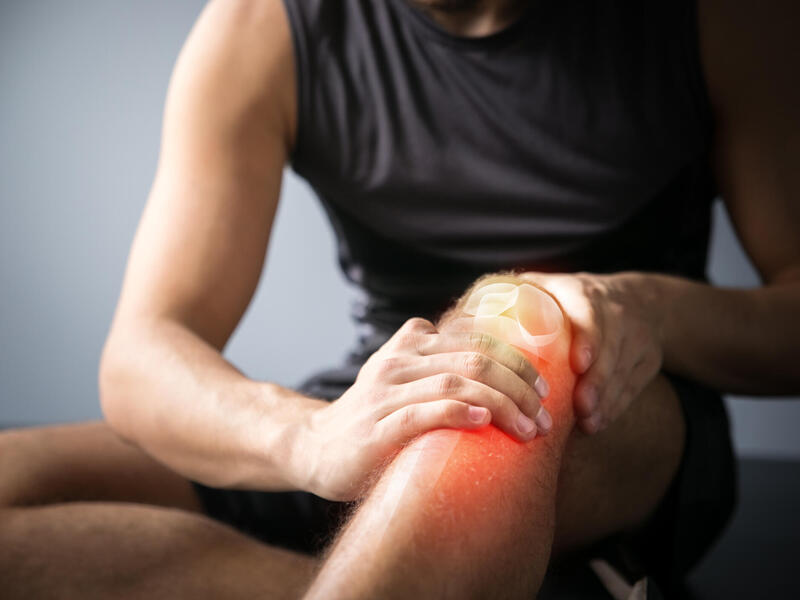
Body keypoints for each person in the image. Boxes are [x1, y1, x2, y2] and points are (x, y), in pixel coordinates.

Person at [1, 0, 799, 597]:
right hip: (379, 398)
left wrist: (644, 305)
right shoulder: (263, 26)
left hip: (616, 411)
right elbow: (142, 355)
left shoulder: (719, 16)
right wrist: (309, 438)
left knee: (513, 319)